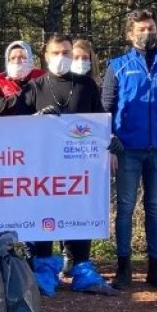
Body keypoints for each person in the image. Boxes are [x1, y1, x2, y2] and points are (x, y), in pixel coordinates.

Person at [24, 34, 116, 296]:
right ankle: (44, 268)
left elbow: (99, 120)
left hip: (79, 166)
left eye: (66, 52)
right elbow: (17, 128)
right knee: (44, 214)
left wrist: (111, 139)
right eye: (56, 53)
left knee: (80, 212)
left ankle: (82, 268)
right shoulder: (35, 87)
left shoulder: (86, 85)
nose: (61, 58)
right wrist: (35, 117)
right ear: (46, 56)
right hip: (43, 168)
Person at [102, 9, 157, 291]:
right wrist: (110, 143)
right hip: (127, 149)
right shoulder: (117, 66)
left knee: (154, 207)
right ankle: (123, 267)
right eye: (141, 29)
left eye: (151, 28)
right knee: (125, 207)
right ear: (130, 34)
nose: (147, 33)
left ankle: (156, 267)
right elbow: (106, 109)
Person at [0, 40, 41, 116]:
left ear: (30, 59)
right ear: (7, 61)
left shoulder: (42, 80)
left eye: (22, 57)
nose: (17, 61)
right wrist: (21, 97)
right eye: (12, 58)